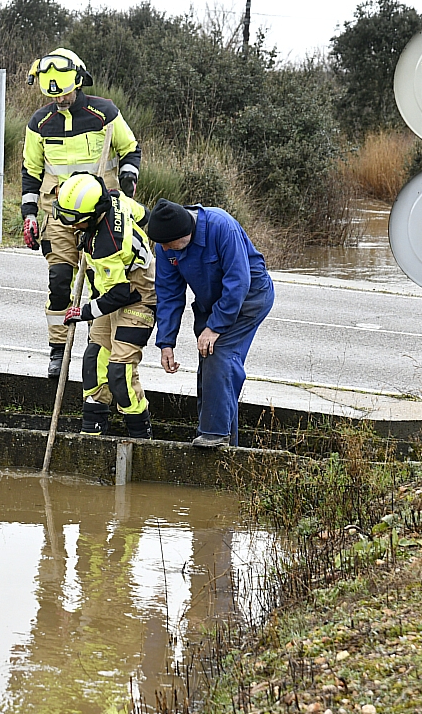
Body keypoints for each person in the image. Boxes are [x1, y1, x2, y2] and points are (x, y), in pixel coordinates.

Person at [21, 48, 142, 378]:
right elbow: (31, 171)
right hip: (58, 210)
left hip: (100, 210)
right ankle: (58, 347)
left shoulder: (105, 113)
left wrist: (128, 177)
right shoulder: (40, 123)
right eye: (52, 95)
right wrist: (29, 215)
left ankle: (96, 341)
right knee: (60, 279)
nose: (59, 100)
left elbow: (131, 149)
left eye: (64, 93)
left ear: (79, 82)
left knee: (100, 281)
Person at [149, 200, 273, 447]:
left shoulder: (221, 227)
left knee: (219, 355)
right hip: (212, 302)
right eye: (162, 246)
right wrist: (166, 342)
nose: (165, 250)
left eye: (169, 245)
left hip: (249, 298)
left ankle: (215, 434)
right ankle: (225, 440)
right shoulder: (165, 248)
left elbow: (238, 281)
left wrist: (215, 327)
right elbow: (169, 294)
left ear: (186, 234)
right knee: (210, 366)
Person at [56, 172, 156, 438]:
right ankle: (94, 429)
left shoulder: (107, 244)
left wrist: (84, 312)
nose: (67, 224)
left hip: (136, 297)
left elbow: (120, 294)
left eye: (71, 219)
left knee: (119, 373)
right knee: (93, 361)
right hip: (110, 293)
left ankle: (139, 436)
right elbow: (145, 216)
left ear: (91, 216)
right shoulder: (115, 198)